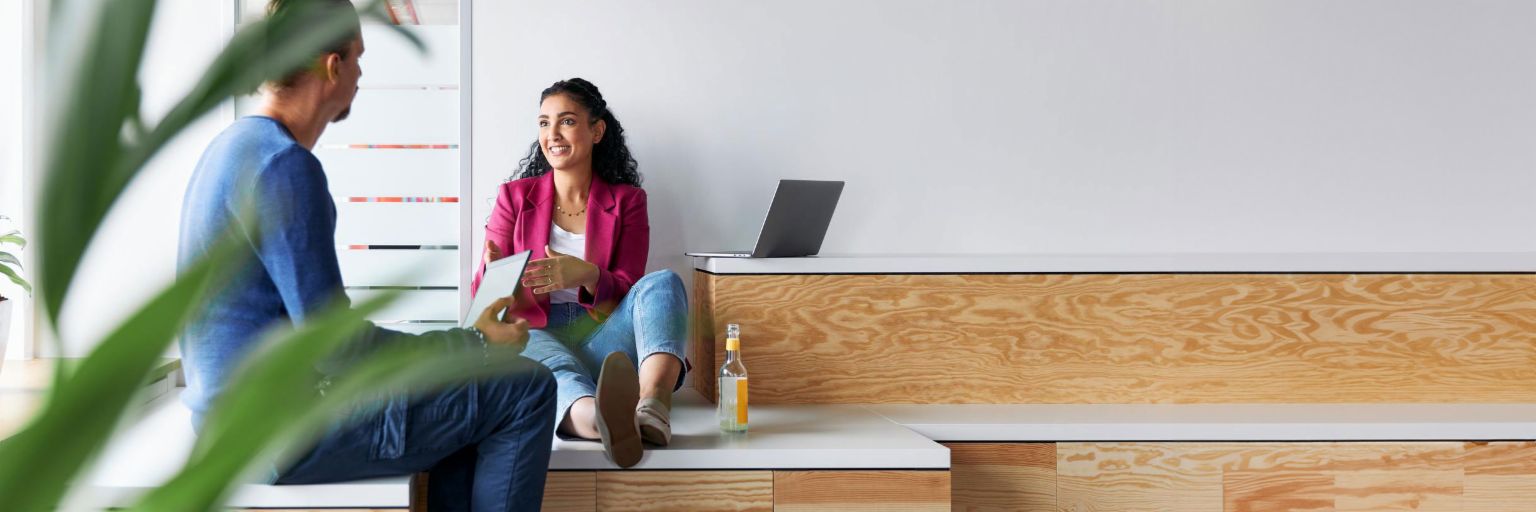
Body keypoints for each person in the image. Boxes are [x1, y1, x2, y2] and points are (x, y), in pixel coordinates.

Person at [177, 1, 556, 510]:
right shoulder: (286, 167)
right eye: (358, 57)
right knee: (526, 386)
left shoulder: (234, 147)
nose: (360, 73)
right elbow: (339, 348)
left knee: (468, 404)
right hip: (281, 435)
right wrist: (475, 344)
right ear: (332, 67)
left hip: (228, 426)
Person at [473, 78, 688, 469]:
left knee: (663, 283)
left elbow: (627, 288)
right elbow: (484, 306)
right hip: (536, 333)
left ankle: (652, 407)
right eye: (543, 123)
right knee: (552, 370)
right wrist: (492, 275)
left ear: (597, 130)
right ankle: (602, 422)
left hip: (606, 338)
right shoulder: (514, 198)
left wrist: (586, 274)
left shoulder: (628, 202)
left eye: (566, 121)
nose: (552, 134)